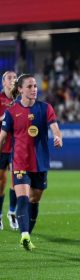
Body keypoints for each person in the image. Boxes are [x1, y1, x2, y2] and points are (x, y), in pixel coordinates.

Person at [0, 74, 63, 250]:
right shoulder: (11, 112)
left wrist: (58, 138)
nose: (34, 89)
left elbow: (55, 129)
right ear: (20, 89)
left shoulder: (45, 108)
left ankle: (28, 233)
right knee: (22, 197)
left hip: (40, 163)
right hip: (19, 162)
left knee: (34, 199)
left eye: (35, 86)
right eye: (29, 86)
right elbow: (3, 137)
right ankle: (24, 235)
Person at [0, 71, 18, 231]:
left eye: (15, 77)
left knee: (16, 182)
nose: (13, 80)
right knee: (1, 182)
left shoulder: (20, 100)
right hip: (1, 146)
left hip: (16, 147)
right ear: (4, 82)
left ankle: (12, 212)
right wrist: (6, 117)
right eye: (10, 78)